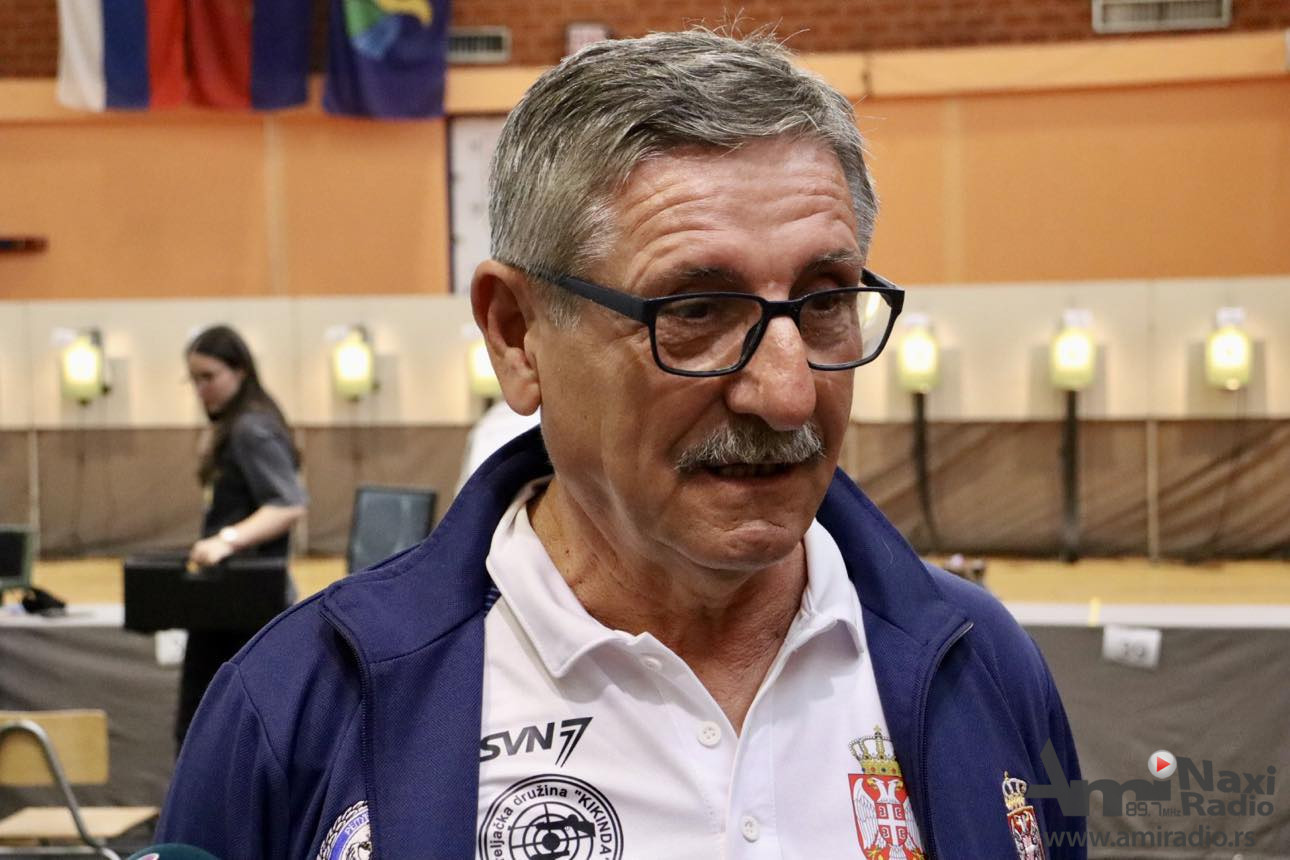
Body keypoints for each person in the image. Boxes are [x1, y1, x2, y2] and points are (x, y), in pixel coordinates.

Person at [157, 31, 1084, 858]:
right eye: (696, 310)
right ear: (518, 335)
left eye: (825, 301)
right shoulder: (299, 710)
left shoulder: (983, 665)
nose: (788, 391)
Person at [175, 325, 307, 752]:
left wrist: (226, 540)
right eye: (194, 380)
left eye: (209, 377)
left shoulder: (251, 428)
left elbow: (289, 504)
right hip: (230, 601)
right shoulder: (233, 426)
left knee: (210, 732)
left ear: (240, 371)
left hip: (247, 604)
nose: (201, 390)